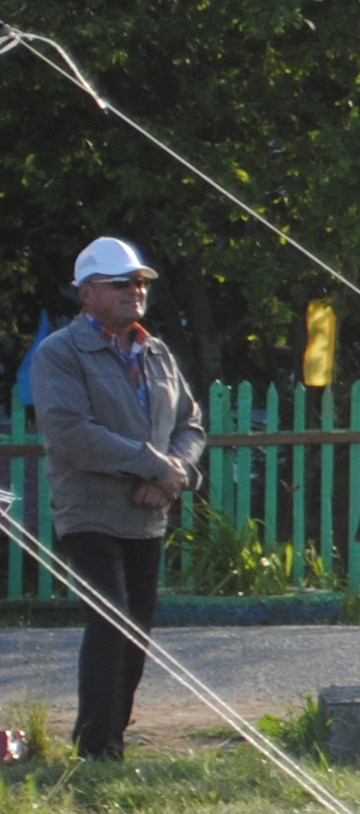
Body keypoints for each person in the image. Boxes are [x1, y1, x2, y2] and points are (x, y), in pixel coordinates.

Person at [30, 237, 205, 761]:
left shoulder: (156, 352)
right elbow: (71, 433)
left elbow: (190, 424)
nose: (135, 291)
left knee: (137, 631)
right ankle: (95, 746)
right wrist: (154, 464)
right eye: (121, 283)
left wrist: (175, 474)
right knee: (111, 623)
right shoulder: (59, 353)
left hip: (148, 513)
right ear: (87, 294)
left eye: (140, 283)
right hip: (90, 514)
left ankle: (114, 739)